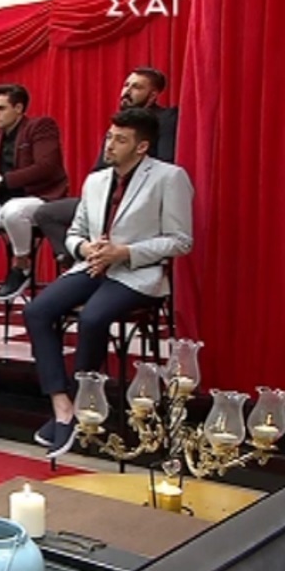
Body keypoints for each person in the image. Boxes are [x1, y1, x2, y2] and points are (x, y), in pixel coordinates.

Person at [23, 108, 193, 459]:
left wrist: (125, 252)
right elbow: (75, 232)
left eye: (120, 140)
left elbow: (180, 241)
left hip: (137, 272)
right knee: (37, 311)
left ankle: (84, 401)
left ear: (142, 146)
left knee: (93, 318)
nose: (110, 145)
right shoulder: (96, 180)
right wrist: (84, 248)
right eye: (109, 137)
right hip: (92, 265)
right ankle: (61, 403)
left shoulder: (170, 177)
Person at [34, 67, 180, 266]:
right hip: (105, 195)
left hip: (139, 198)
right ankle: (78, 258)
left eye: (136, 87)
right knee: (46, 213)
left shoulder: (165, 119)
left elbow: (165, 160)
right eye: (126, 85)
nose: (127, 91)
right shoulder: (118, 123)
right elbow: (99, 168)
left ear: (153, 95)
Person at [0, 84, 67, 300]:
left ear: (18, 108)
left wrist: (0, 179)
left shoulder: (40, 126)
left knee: (13, 212)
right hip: (3, 200)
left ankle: (22, 266)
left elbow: (47, 167)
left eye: (1, 108)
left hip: (41, 197)